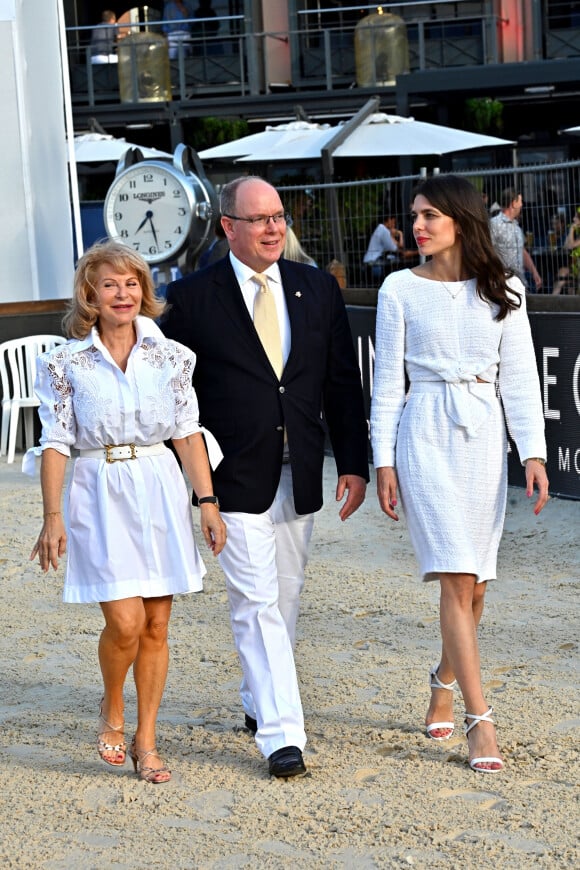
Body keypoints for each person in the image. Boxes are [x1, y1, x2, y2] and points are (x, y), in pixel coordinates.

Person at [161, 176, 369, 778]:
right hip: (230, 475)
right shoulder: (190, 298)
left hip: (298, 471)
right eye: (259, 219)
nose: (274, 227)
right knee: (255, 601)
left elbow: (339, 384)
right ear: (228, 226)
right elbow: (177, 400)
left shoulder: (316, 289)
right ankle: (282, 735)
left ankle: (257, 700)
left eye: (279, 216)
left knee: (285, 596)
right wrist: (193, 484)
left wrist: (352, 462)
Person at [27, 240, 226, 784]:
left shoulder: (173, 357)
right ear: (90, 293)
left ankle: (147, 739)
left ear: (145, 290)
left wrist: (206, 503)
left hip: (159, 486)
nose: (123, 293)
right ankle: (112, 711)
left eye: (132, 283)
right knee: (125, 620)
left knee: (158, 624)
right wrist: (52, 516)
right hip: (97, 488)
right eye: (111, 284)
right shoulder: (64, 362)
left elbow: (187, 434)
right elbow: (55, 441)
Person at [370, 174, 549, 774]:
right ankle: (480, 719)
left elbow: (520, 379)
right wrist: (384, 460)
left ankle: (444, 677)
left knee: (477, 584)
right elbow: (387, 385)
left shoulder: (506, 291)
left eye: (429, 216)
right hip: (424, 431)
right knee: (454, 574)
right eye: (414, 215)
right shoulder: (398, 289)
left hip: (481, 434)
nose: (417, 225)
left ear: (460, 221)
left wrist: (534, 453)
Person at [489, 187, 542, 291]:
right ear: (513, 203)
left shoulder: (517, 227)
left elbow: (522, 251)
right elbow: (486, 251)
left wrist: (534, 272)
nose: (522, 205)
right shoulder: (494, 224)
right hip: (502, 284)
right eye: (520, 201)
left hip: (520, 284)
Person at [363, 217, 404, 282]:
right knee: (396, 260)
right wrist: (398, 234)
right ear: (389, 220)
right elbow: (394, 248)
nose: (394, 225)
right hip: (374, 263)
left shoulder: (380, 228)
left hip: (370, 261)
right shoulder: (384, 230)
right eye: (393, 222)